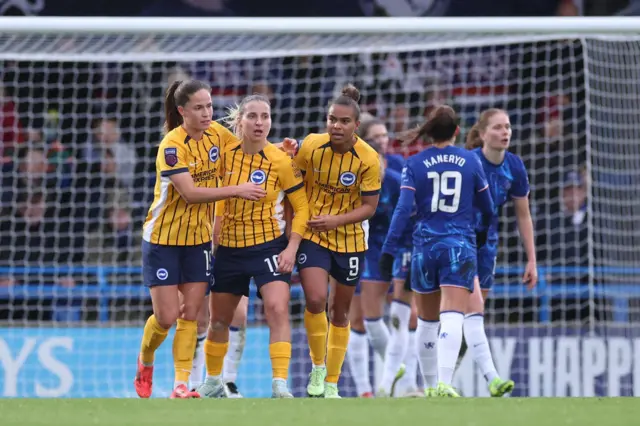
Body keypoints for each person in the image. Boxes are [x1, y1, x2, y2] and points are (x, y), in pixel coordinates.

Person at [134, 80, 266, 399]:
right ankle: (145, 359)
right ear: (182, 111)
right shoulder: (171, 146)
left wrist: (285, 152)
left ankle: (181, 384)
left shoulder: (218, 136)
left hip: (198, 241)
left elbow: (248, 150)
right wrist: (236, 189)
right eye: (199, 107)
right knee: (165, 317)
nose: (207, 113)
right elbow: (191, 193)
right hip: (163, 240)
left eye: (209, 106)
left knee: (190, 313)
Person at [197, 94, 309, 399]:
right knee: (219, 319)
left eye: (265, 116)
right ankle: (213, 380)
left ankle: (280, 384)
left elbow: (302, 208)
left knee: (277, 308)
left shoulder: (281, 160)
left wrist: (291, 248)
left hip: (269, 247)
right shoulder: (222, 155)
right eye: (253, 116)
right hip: (230, 250)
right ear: (240, 121)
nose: (260, 123)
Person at [380, 105, 495, 397]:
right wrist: (478, 234)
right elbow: (488, 209)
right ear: (457, 131)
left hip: (423, 248)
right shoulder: (471, 160)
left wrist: (388, 249)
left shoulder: (414, 163)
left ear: (428, 133)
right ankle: (444, 382)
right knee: (454, 313)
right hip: (458, 245)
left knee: (427, 321)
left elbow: (403, 210)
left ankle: (430, 386)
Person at [295, 84, 381, 398]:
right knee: (316, 299)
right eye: (332, 119)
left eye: (344, 121)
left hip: (350, 242)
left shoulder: (369, 159)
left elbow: (369, 207)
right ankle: (318, 369)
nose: (336, 126)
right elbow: (294, 188)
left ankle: (332, 382)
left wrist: (335, 220)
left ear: (356, 126)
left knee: (340, 312)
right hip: (313, 236)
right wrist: (293, 232)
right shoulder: (310, 147)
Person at [455, 108, 537, 396]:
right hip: (458, 241)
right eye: (499, 128)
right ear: (482, 134)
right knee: (471, 311)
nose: (505, 133)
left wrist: (532, 259)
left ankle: (442, 380)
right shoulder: (468, 162)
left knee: (469, 316)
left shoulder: (514, 166)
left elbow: (523, 215)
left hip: (487, 246)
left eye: (508, 127)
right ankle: (492, 378)